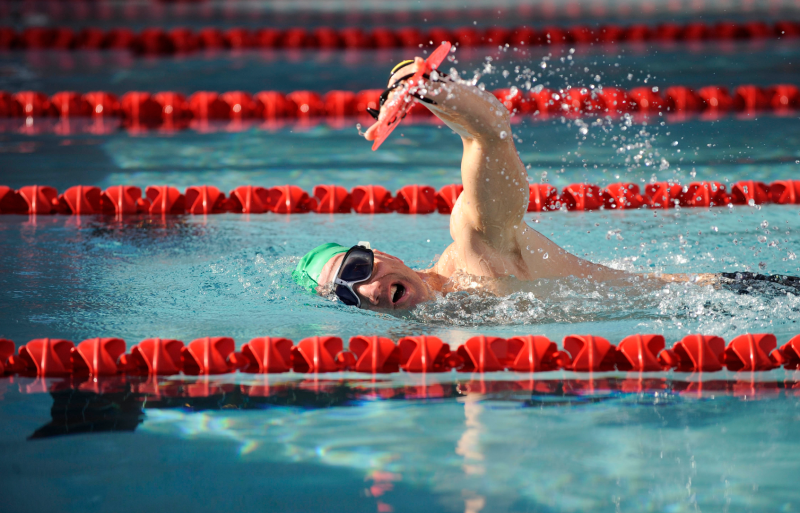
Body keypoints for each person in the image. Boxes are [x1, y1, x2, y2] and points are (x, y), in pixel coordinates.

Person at [292, 56, 796, 312]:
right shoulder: (436, 327)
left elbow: (491, 134)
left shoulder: (474, 244)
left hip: (738, 299)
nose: (369, 289)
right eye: (347, 295)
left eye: (357, 268)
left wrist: (427, 89)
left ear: (380, 254)